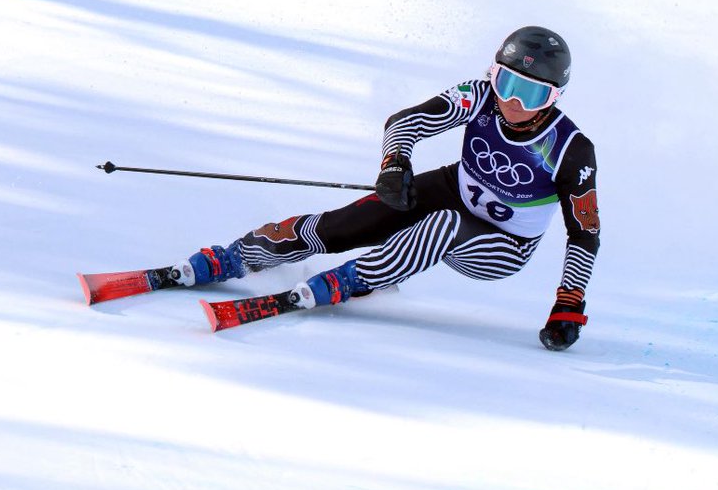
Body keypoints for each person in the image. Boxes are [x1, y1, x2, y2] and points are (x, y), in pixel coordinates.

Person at [174, 26, 599, 351]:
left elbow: (584, 233)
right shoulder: (479, 95)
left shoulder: (570, 149)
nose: (513, 103)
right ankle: (236, 256)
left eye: (531, 94)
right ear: (493, 75)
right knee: (346, 224)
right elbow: (406, 121)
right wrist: (395, 164)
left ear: (554, 97)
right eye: (507, 84)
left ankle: (354, 280)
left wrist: (569, 302)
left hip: (503, 244)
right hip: (455, 188)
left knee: (444, 225)